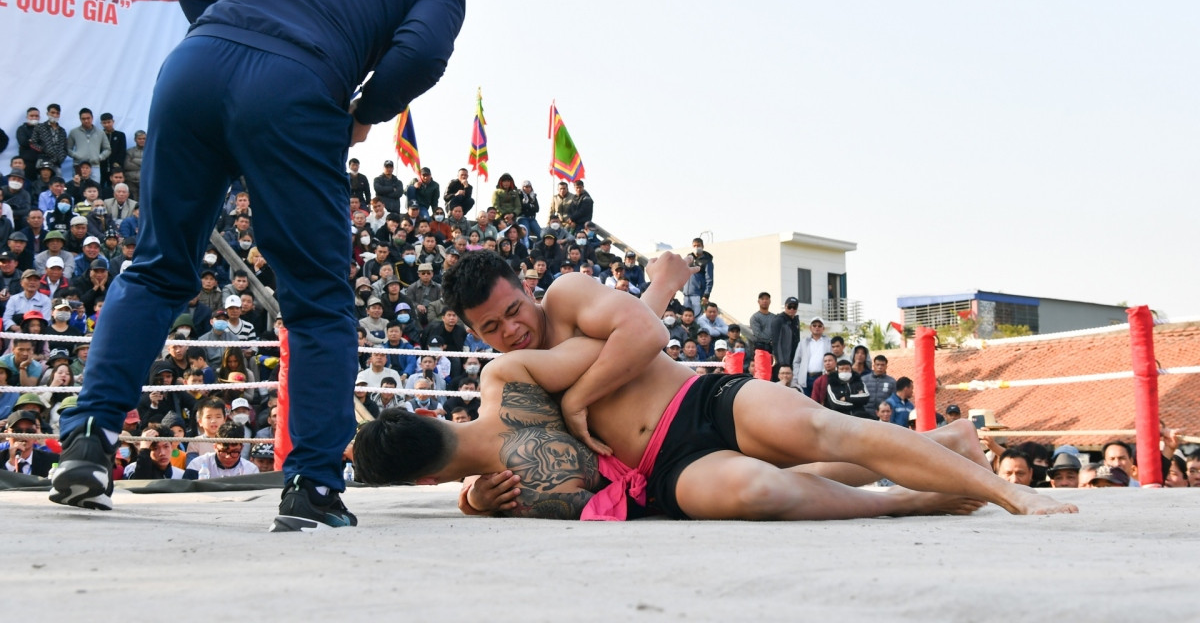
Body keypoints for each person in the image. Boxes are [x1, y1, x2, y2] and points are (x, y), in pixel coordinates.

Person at [50, 0, 471, 535]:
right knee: (318, 299)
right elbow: (419, 55)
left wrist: (229, 57)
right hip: (296, 89)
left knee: (159, 265)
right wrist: (361, 114)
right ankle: (313, 486)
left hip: (192, 69)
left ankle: (87, 445)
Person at [355, 251, 1077, 521]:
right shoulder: (508, 380)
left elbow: (644, 335)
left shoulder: (568, 301)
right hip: (663, 475)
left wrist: (578, 398)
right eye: (490, 329)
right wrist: (472, 496)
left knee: (823, 434)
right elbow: (477, 446)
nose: (509, 331)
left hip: (699, 403)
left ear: (526, 291)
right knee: (769, 489)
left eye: (513, 312)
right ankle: (941, 467)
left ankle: (1008, 492)